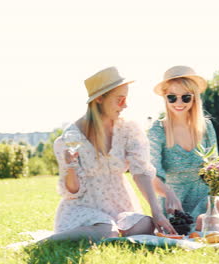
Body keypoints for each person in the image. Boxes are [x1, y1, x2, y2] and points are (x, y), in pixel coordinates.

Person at [49, 66, 176, 242]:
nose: (125, 105)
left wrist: (157, 213)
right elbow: (72, 191)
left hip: (119, 207)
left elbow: (141, 172)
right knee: (108, 231)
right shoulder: (69, 139)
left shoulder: (129, 128)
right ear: (100, 98)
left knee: (145, 225)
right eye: (120, 99)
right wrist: (70, 165)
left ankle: (109, 232)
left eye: (126, 99)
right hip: (84, 208)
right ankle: (49, 241)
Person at [148, 65, 219, 231]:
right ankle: (202, 227)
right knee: (207, 226)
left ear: (194, 98)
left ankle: (205, 226)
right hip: (175, 206)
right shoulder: (158, 130)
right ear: (165, 97)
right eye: (172, 97)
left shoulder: (205, 127)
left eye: (185, 97)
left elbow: (214, 167)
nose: (179, 103)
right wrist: (169, 194)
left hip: (204, 199)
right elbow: (152, 176)